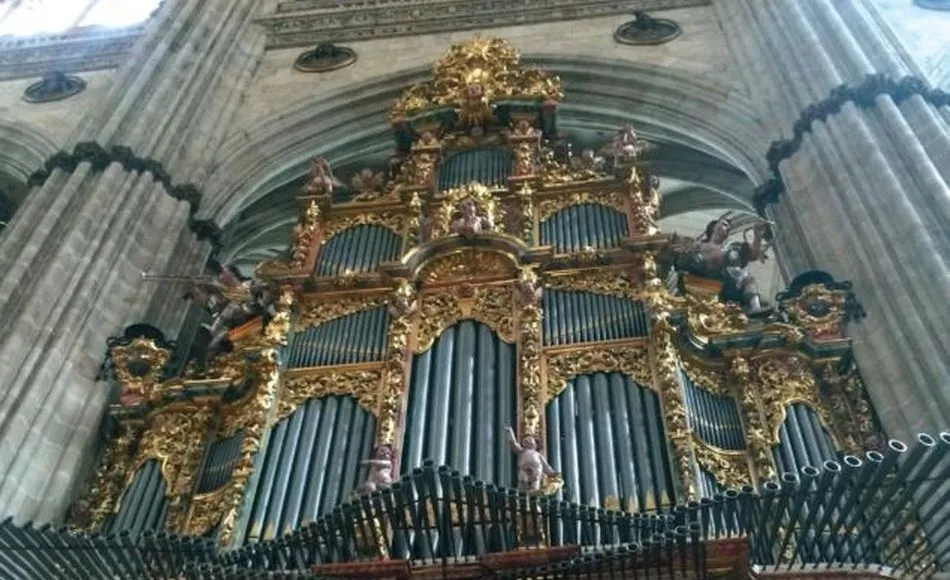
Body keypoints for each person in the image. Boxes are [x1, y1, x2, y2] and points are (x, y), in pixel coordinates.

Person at [673, 217, 770, 314]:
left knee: (748, 278)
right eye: (724, 224)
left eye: (729, 228)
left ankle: (755, 307)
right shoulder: (698, 245)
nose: (727, 228)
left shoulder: (729, 248)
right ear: (713, 227)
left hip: (723, 283)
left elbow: (752, 255)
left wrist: (757, 237)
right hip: (697, 276)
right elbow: (681, 260)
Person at [506, 426, 557, 493]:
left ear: (535, 445)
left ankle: (533, 496)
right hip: (524, 469)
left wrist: (552, 473)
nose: (527, 441)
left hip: (536, 470)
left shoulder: (538, 455)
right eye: (525, 441)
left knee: (535, 486)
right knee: (522, 484)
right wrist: (510, 432)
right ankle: (522, 496)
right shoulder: (521, 451)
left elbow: (546, 466)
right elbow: (513, 444)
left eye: (529, 440)